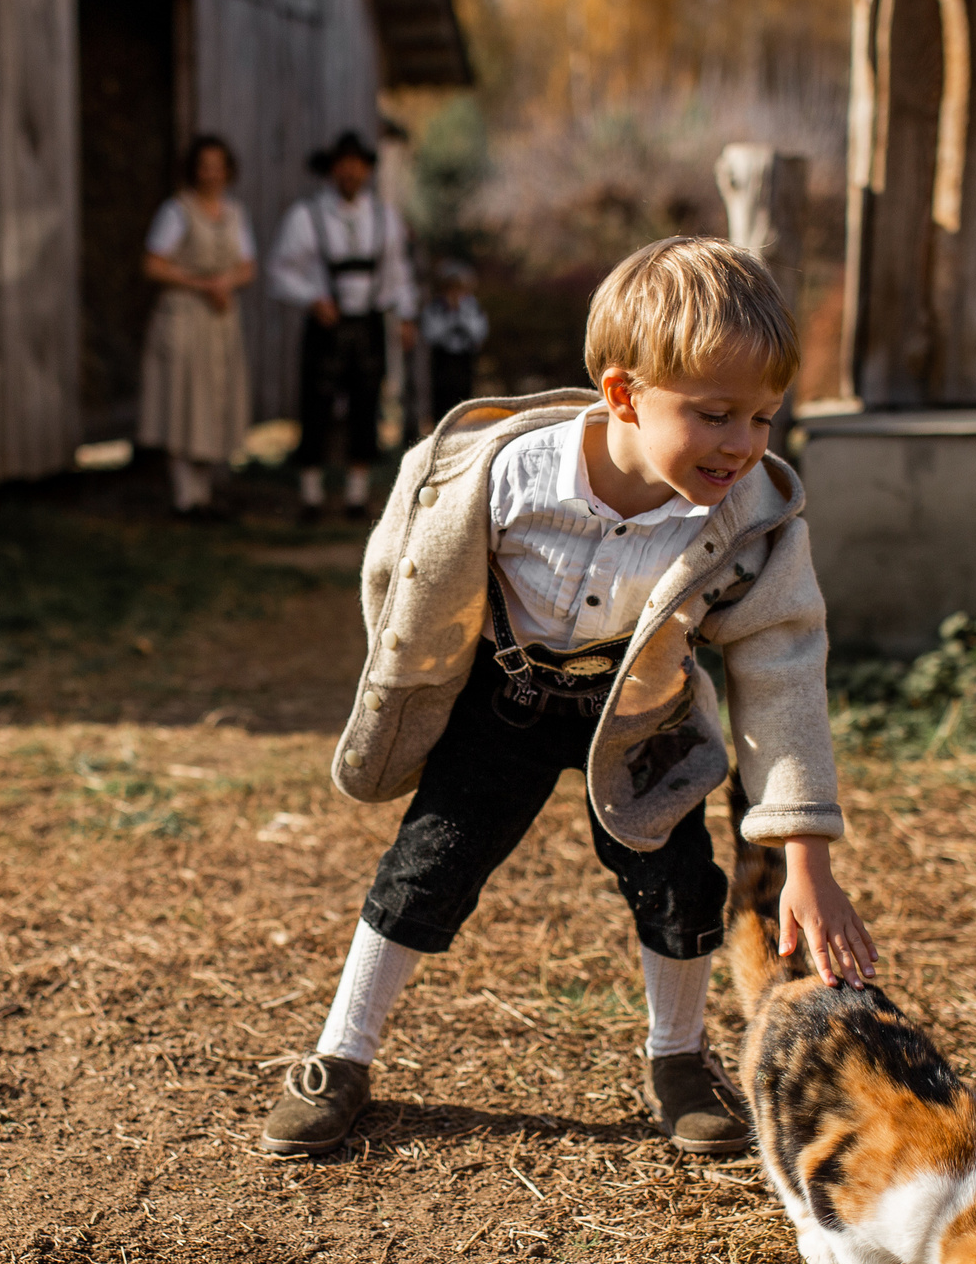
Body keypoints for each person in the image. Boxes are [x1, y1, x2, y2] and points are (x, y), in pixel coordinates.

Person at [257, 236, 878, 1159]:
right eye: (716, 415)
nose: (743, 444)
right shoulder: (501, 475)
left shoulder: (748, 520)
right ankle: (340, 1054)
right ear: (623, 393)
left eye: (763, 418)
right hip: (505, 700)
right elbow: (404, 564)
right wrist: (409, 679)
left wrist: (807, 857)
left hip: (639, 713)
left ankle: (678, 1058)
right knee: (430, 861)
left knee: (677, 882)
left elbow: (781, 666)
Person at [266, 129, 416, 523]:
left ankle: (356, 495)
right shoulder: (307, 216)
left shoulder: (385, 218)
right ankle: (311, 496)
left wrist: (404, 315)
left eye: (357, 164)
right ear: (332, 170)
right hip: (325, 326)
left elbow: (398, 272)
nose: (350, 172)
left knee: (367, 404)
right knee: (315, 404)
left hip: (368, 324)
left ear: (366, 170)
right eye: (342, 164)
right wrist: (312, 299)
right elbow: (279, 271)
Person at [139, 134, 257, 516]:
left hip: (218, 318)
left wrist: (226, 283)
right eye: (204, 165)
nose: (211, 173)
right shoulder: (177, 211)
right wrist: (201, 284)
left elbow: (248, 266)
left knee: (214, 399)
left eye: (217, 165)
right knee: (182, 398)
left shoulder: (234, 213)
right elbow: (153, 263)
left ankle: (204, 494)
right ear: (193, 170)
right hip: (186, 314)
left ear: (227, 170)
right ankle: (183, 496)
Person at [416, 260, 488, 435]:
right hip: (442, 360)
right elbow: (431, 334)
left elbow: (480, 331)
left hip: (463, 360)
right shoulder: (435, 308)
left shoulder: (472, 307)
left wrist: (460, 316)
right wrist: (450, 318)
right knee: (441, 401)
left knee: (464, 400)